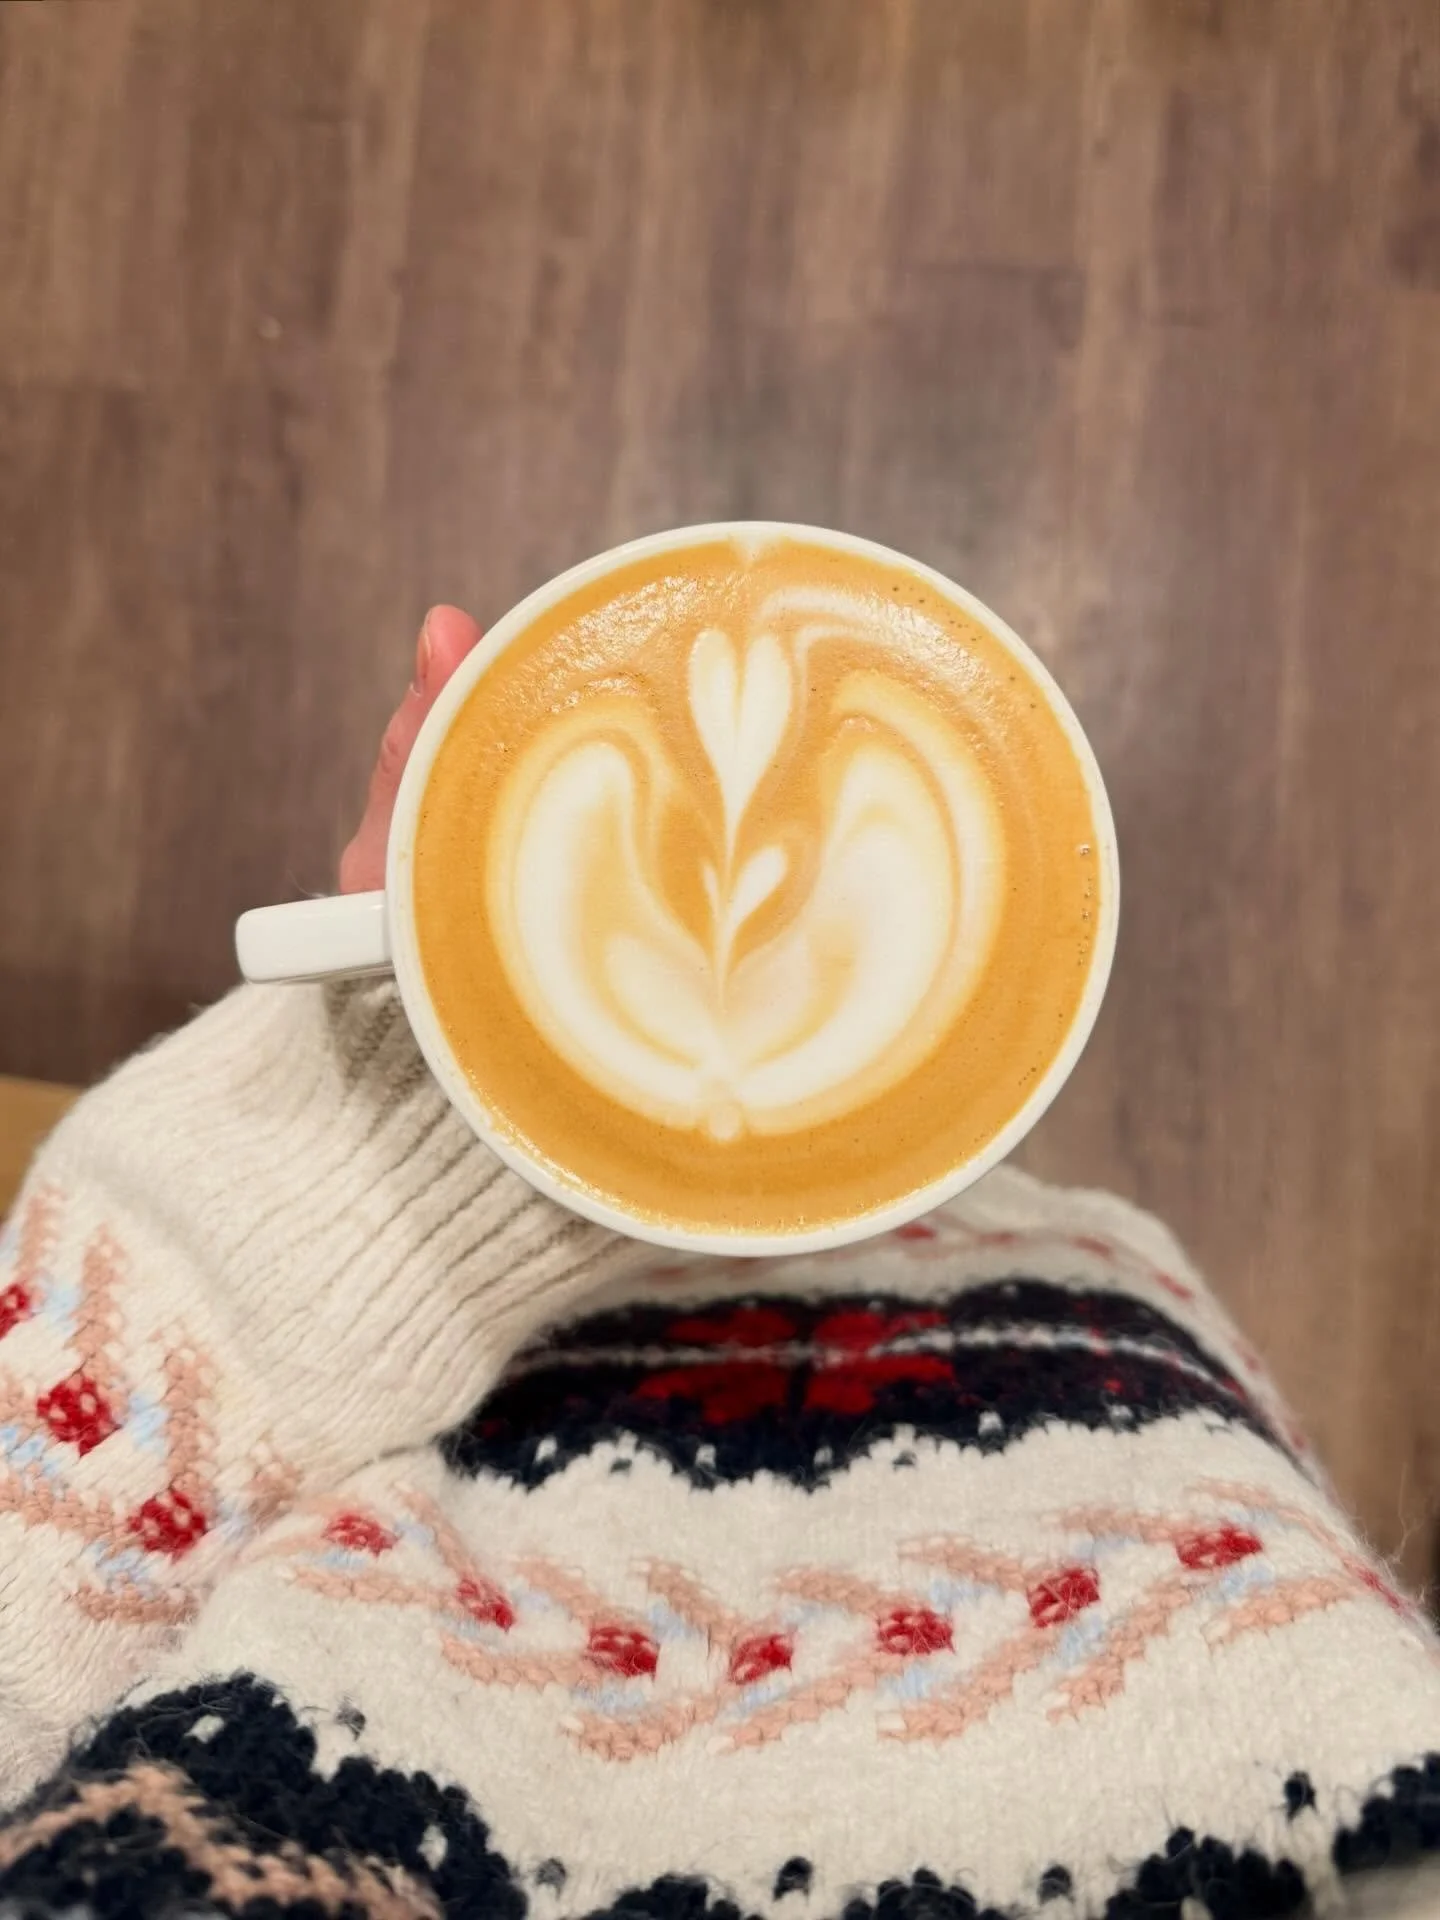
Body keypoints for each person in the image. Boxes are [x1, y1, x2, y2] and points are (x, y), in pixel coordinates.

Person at [0, 610, 1437, 1920]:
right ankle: (865, 1165)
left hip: (371, 1664)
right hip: (1123, 1415)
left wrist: (405, 1127)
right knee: (1090, 1259)